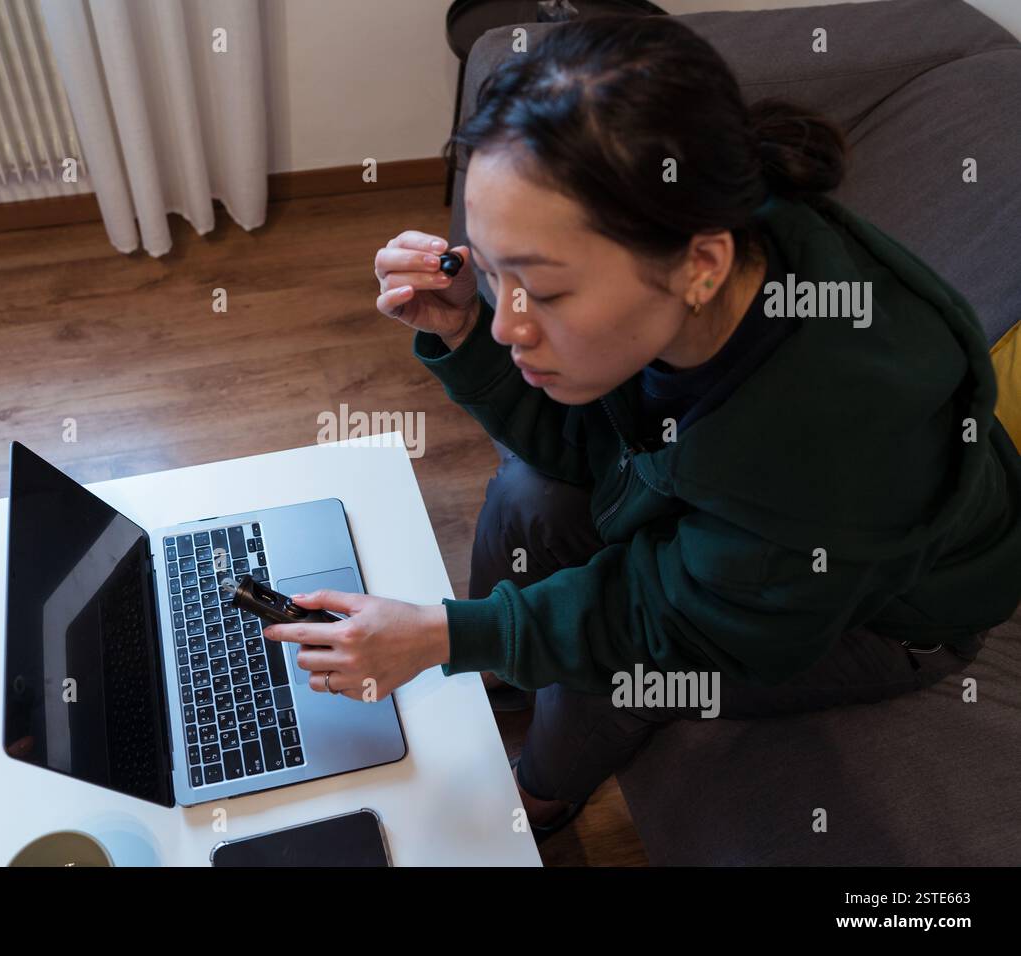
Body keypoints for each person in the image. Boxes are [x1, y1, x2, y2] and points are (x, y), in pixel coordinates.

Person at [262, 14, 1021, 843]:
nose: (510, 322)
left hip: (883, 615)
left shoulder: (830, 435)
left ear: (700, 265)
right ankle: (501, 690)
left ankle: (540, 802)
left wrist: (448, 632)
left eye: (543, 291)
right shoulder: (705, 241)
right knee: (527, 493)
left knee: (615, 673)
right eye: (491, 268)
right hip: (746, 526)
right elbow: (597, 446)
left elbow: (662, 624)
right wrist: (462, 332)